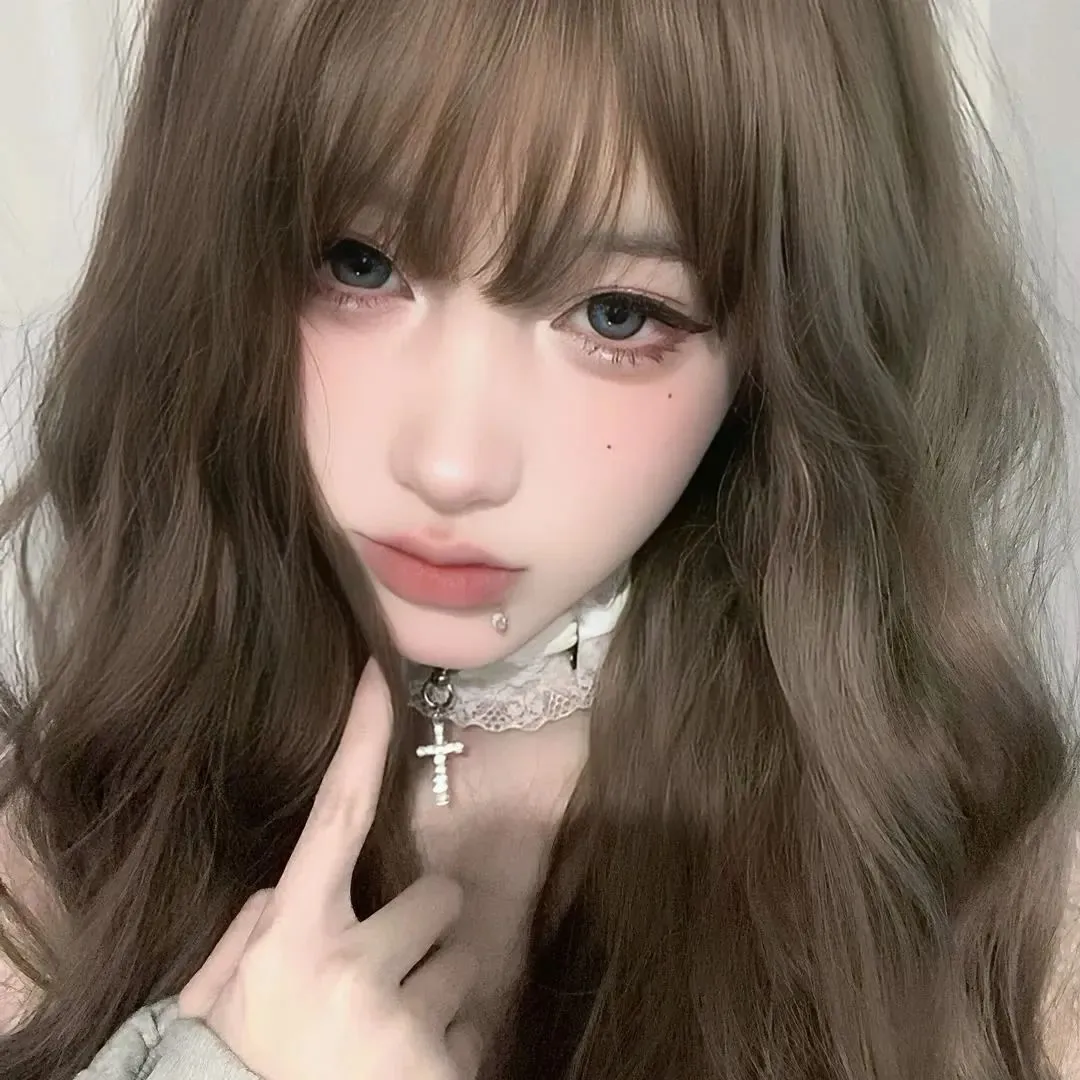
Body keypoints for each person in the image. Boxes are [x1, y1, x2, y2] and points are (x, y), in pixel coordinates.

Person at [1, 0, 1077, 1076]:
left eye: (618, 315)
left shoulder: (1010, 916)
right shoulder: (57, 856)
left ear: (785, 351)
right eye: (359, 263)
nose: (451, 465)